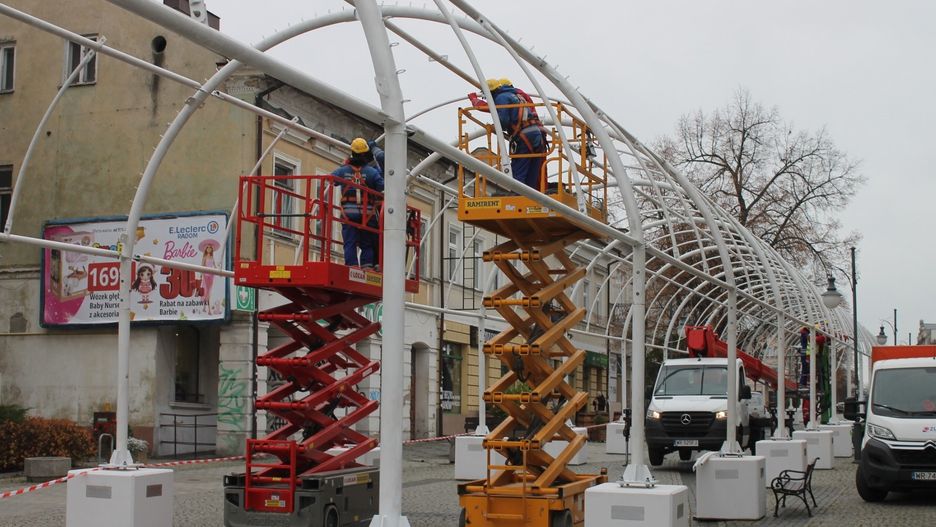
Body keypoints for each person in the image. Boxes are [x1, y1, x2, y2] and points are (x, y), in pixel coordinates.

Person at [470, 78, 549, 190]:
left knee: (519, 168)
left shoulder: (501, 97)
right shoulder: (518, 96)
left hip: (524, 135)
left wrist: (496, 128)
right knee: (533, 170)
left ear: (490, 92)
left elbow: (503, 120)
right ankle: (531, 196)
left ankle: (517, 195)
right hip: (536, 134)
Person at [332, 138, 384, 269]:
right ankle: (367, 266)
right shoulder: (371, 172)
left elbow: (331, 180)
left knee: (350, 242)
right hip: (367, 215)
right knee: (367, 243)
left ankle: (352, 265)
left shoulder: (342, 171)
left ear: (352, 153)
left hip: (349, 214)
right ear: (366, 154)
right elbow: (381, 186)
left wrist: (345, 167)